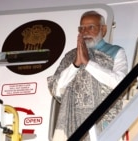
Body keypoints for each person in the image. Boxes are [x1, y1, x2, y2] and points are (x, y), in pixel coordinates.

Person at [47, 10, 128, 141]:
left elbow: (120, 83)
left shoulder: (115, 52)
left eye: (91, 27)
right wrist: (75, 64)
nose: (85, 32)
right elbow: (56, 89)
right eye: (82, 28)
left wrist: (88, 63)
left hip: (103, 124)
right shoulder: (71, 56)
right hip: (73, 125)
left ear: (103, 29)